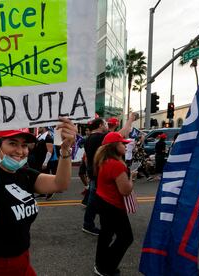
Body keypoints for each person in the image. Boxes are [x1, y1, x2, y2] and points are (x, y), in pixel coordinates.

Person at [0, 115, 77, 275]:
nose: (20, 151)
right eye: (12, 144)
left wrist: (65, 150)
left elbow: (60, 184)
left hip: (23, 258)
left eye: (24, 145)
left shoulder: (24, 173)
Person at [82, 113, 136, 235]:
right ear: (101, 125)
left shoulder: (89, 138)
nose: (108, 126)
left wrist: (88, 170)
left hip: (93, 172)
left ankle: (94, 224)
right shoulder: (99, 137)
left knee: (95, 198)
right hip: (99, 173)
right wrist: (131, 119)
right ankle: (90, 224)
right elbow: (121, 135)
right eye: (106, 124)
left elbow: (85, 158)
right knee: (98, 200)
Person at [93, 132, 135, 276]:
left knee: (106, 234)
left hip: (102, 201)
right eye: (122, 143)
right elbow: (125, 190)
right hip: (113, 205)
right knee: (126, 237)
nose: (125, 145)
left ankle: (100, 265)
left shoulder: (103, 161)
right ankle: (106, 267)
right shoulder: (117, 165)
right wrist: (131, 179)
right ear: (114, 147)